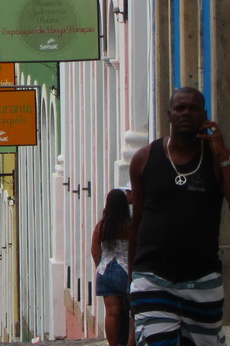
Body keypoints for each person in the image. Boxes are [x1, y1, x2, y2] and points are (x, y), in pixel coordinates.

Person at [129, 87, 230, 346]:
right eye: (180, 108)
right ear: (169, 115)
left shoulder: (215, 160)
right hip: (153, 278)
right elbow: (137, 221)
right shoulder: (144, 158)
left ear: (204, 115)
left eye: (193, 108)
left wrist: (224, 157)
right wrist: (132, 279)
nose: (186, 113)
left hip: (203, 279)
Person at [91, 189, 131, 346]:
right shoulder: (130, 225)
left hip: (105, 270)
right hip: (126, 270)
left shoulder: (101, 227)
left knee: (111, 314)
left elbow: (95, 251)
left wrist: (100, 267)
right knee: (131, 312)